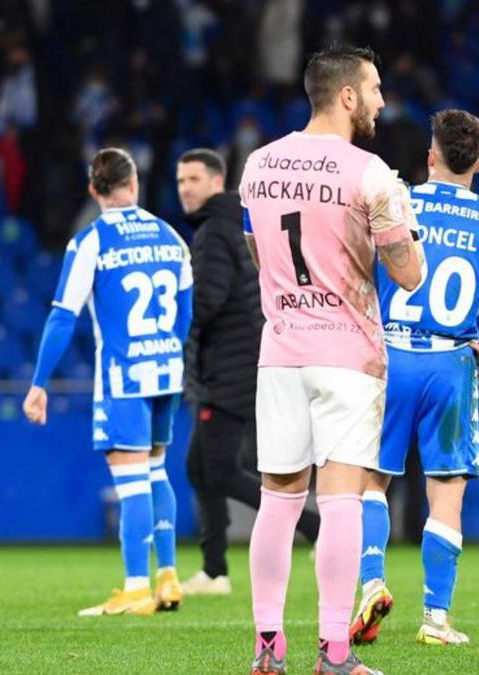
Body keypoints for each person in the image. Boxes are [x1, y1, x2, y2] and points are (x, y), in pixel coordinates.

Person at [240, 44, 424, 675]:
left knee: (278, 500)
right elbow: (410, 275)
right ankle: (334, 655)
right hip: (346, 353)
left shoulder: (258, 166)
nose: (379, 100)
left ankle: (268, 650)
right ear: (347, 95)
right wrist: (401, 223)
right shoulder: (370, 173)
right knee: (342, 502)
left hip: (282, 348)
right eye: (373, 89)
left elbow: (258, 253)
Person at [349, 109, 479, 647]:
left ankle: (372, 582)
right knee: (446, 490)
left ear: (431, 155)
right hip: (451, 364)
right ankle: (436, 619)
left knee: (371, 481)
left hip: (389, 357)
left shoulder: (395, 201)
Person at [23, 147, 192, 617]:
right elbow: (186, 313)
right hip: (166, 371)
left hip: (124, 376)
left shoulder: (92, 241)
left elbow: (62, 317)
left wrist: (39, 383)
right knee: (156, 469)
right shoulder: (172, 237)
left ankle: (136, 587)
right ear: (134, 184)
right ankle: (169, 576)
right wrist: (170, 353)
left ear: (94, 191)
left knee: (131, 479)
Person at [175, 148, 320, 597]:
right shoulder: (236, 223)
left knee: (217, 471)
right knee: (199, 469)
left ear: (217, 182)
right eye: (181, 181)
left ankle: (313, 525)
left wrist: (174, 313)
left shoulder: (214, 232)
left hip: (227, 370)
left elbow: (209, 300)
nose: (185, 189)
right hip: (239, 362)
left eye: (194, 179)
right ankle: (214, 569)